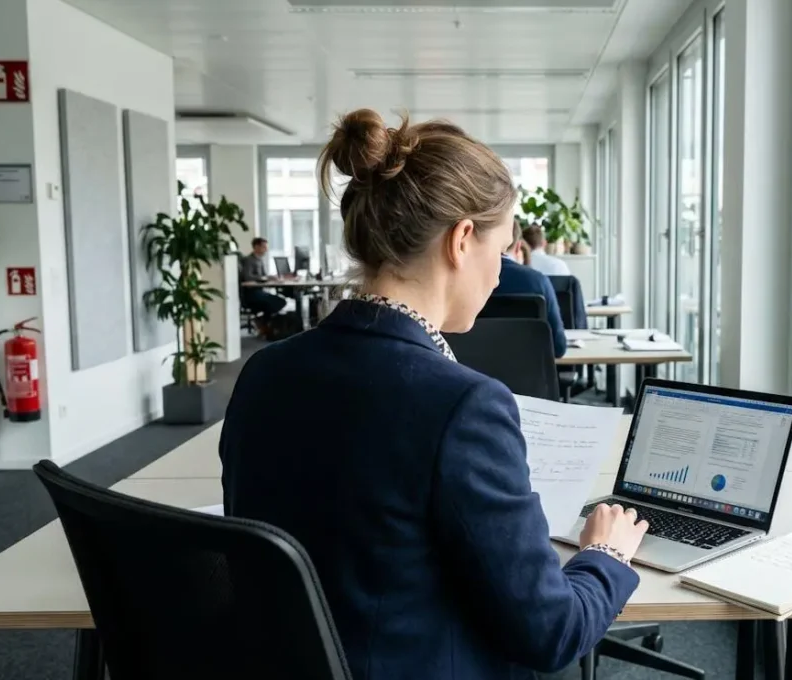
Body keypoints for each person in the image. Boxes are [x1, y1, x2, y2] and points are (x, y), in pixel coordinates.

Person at [219, 108, 647, 679]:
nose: (499, 276)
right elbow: (552, 632)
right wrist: (607, 555)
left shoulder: (264, 371)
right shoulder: (464, 404)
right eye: (500, 250)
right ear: (462, 240)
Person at [495, 223, 568, 357]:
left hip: (475, 373)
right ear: (518, 246)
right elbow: (559, 347)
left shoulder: (472, 280)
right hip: (534, 374)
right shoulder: (538, 281)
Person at [238, 237, 287, 319]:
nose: (266, 250)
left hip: (259, 291)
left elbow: (264, 275)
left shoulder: (260, 260)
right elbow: (248, 277)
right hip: (251, 294)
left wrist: (271, 277)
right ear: (256, 247)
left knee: (280, 301)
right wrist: (263, 278)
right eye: (264, 247)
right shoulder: (249, 260)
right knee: (279, 302)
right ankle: (263, 322)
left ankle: (264, 322)